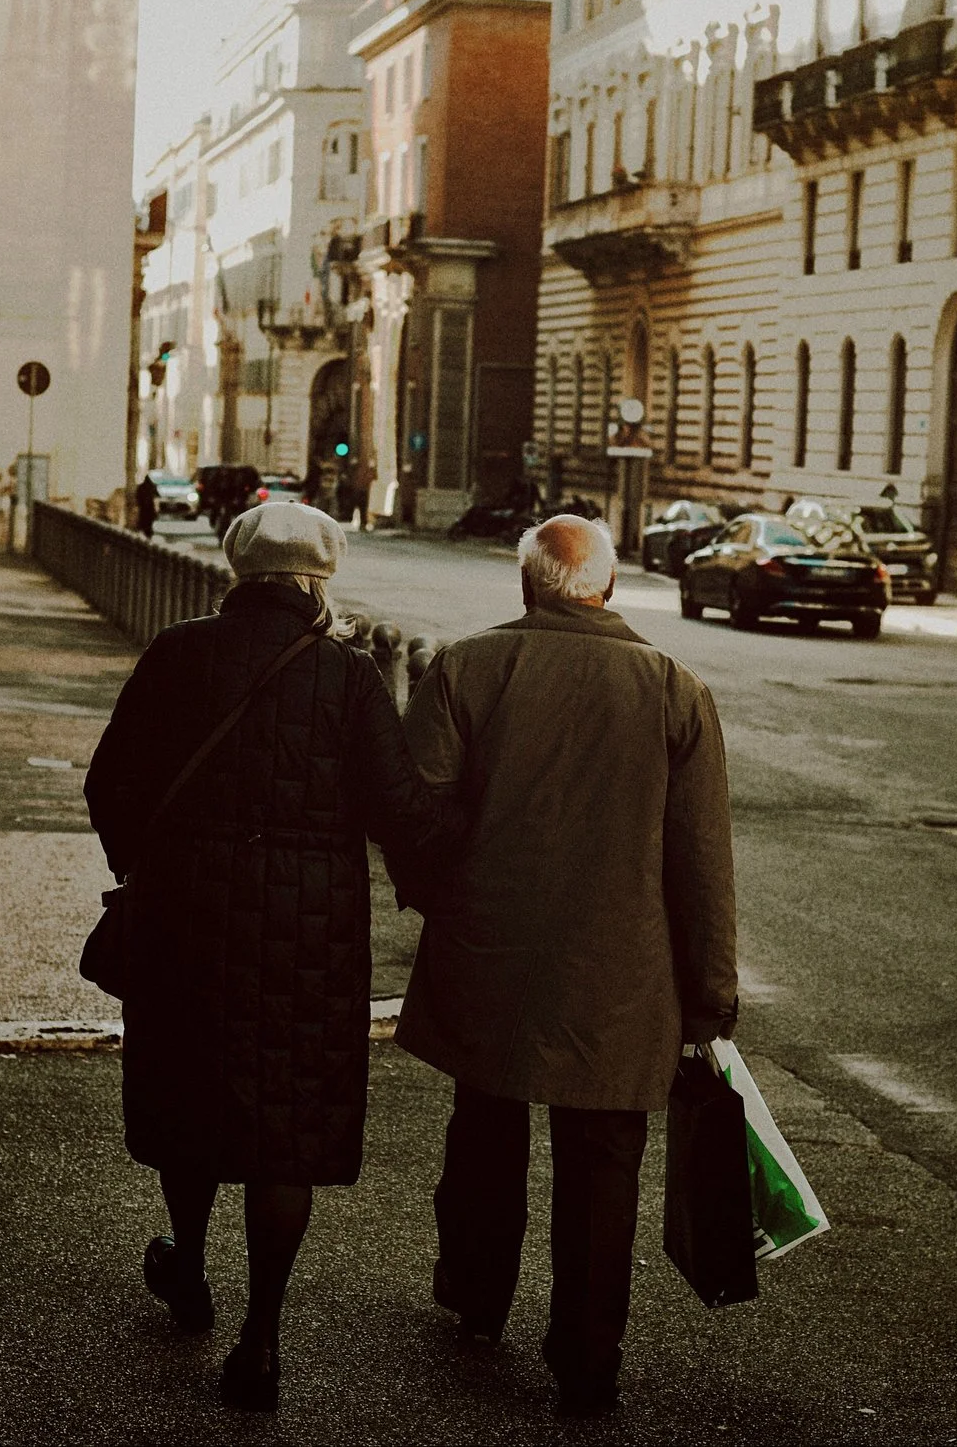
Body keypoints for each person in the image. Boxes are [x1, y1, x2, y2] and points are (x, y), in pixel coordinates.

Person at [82, 503, 452, 1413]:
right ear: (319, 580)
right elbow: (400, 812)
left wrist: (146, 865)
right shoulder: (348, 676)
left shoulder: (177, 651)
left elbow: (109, 780)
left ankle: (190, 1264)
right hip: (308, 933)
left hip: (185, 914)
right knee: (286, 1120)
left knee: (191, 1092)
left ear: (236, 569)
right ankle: (263, 1338)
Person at [397, 514, 738, 1416]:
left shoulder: (466, 667)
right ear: (612, 590)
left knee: (485, 1119)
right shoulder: (675, 689)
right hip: (621, 975)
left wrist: (448, 898)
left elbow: (414, 810)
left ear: (526, 586)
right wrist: (710, 997)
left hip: (489, 953)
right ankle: (588, 1357)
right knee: (603, 1162)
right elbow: (701, 862)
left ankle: (475, 1292)